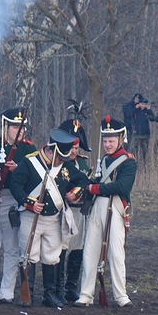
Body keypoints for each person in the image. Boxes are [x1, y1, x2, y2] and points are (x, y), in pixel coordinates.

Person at [10, 129, 88, 308]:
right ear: (51, 151)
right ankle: (26, 292)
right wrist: (29, 202)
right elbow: (16, 185)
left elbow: (82, 179)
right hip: (31, 216)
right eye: (59, 158)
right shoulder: (30, 162)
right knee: (28, 255)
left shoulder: (64, 166)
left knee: (52, 256)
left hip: (53, 219)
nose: (62, 162)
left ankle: (49, 294)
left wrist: (76, 192)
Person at [74, 115, 137, 308]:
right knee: (90, 251)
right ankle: (86, 294)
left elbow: (121, 187)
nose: (108, 144)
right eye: (105, 140)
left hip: (115, 208)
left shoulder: (128, 162)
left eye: (111, 141)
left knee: (116, 254)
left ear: (120, 140)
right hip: (97, 208)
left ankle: (121, 296)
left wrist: (95, 189)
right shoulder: (103, 161)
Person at [0, 107, 37, 305]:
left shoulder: (29, 149)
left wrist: (19, 170)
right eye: (15, 128)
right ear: (6, 128)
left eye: (21, 128)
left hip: (13, 200)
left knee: (11, 248)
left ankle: (7, 291)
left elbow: (34, 178)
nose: (19, 132)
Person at [55, 118, 91, 304]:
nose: (74, 151)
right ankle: (58, 287)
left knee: (77, 248)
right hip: (64, 211)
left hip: (79, 211)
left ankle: (71, 287)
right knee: (61, 248)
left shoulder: (84, 165)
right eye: (71, 147)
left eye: (76, 148)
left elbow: (88, 182)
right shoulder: (59, 163)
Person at [122, 93, 154, 160]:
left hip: (145, 134)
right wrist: (135, 108)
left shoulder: (147, 111)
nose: (143, 106)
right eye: (141, 104)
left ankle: (144, 165)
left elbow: (153, 118)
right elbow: (128, 114)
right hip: (136, 133)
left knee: (144, 151)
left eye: (144, 104)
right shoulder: (136, 110)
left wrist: (149, 110)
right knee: (133, 150)